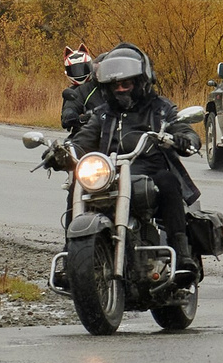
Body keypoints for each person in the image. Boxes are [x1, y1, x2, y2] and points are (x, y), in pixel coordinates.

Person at [66, 46, 199, 253]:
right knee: (78, 181)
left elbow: (181, 127)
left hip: (151, 175)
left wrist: (185, 139)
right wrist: (64, 153)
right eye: (114, 85)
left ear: (140, 82)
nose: (120, 89)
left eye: (126, 83)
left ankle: (181, 255)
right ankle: (70, 252)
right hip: (109, 176)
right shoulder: (103, 114)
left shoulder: (161, 108)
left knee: (169, 181)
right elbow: (83, 140)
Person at [57, 47, 98, 134]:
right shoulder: (71, 93)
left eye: (83, 68)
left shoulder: (103, 85)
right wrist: (77, 117)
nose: (79, 72)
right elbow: (67, 113)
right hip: (84, 133)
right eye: (74, 70)